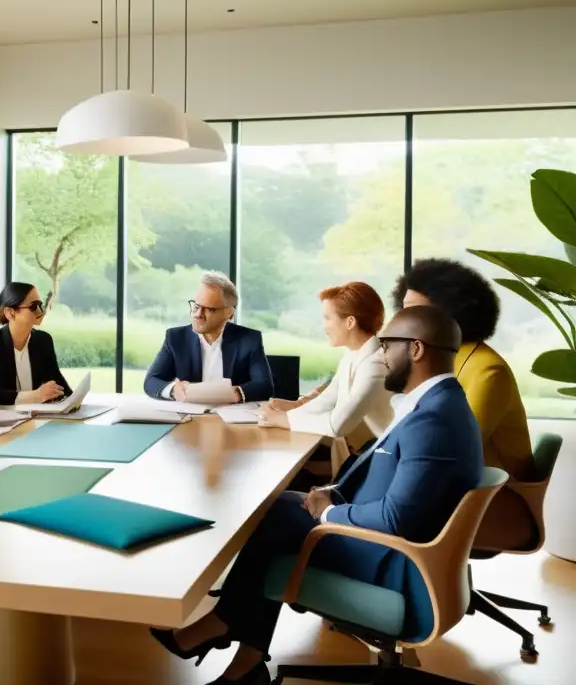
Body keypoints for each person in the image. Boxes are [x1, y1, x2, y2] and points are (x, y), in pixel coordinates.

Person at [150, 305, 483, 684]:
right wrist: (334, 492)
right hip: (394, 542)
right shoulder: (436, 403)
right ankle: (243, 657)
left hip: (395, 560)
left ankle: (224, 625)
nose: (382, 356)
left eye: (388, 346)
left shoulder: (434, 420)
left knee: (274, 522)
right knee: (278, 510)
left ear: (417, 350)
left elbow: (395, 518)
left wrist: (328, 514)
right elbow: (394, 480)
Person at [393, 258, 536, 482]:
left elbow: (451, 450)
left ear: (450, 313)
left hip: (495, 501)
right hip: (443, 486)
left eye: (414, 310)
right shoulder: (434, 358)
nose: (401, 319)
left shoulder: (488, 371)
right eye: (403, 309)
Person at [258, 282, 393, 481]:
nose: (324, 325)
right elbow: (326, 401)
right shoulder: (353, 355)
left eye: (327, 318)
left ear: (350, 322)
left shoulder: (375, 364)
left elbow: (338, 425)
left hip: (385, 462)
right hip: (367, 453)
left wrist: (283, 420)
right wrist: (287, 411)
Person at [144, 271, 273, 404]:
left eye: (209, 309)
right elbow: (151, 381)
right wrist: (173, 389)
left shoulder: (249, 339)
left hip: (231, 418)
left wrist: (235, 394)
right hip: (189, 418)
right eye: (196, 306)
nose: (198, 314)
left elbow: (264, 385)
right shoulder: (176, 338)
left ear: (229, 312)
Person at [0, 282, 71, 406]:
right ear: (10, 312)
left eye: (40, 305)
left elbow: (57, 383)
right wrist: (36, 395)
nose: (41, 311)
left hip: (34, 417)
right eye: (33, 306)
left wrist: (74, 402)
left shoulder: (43, 340)